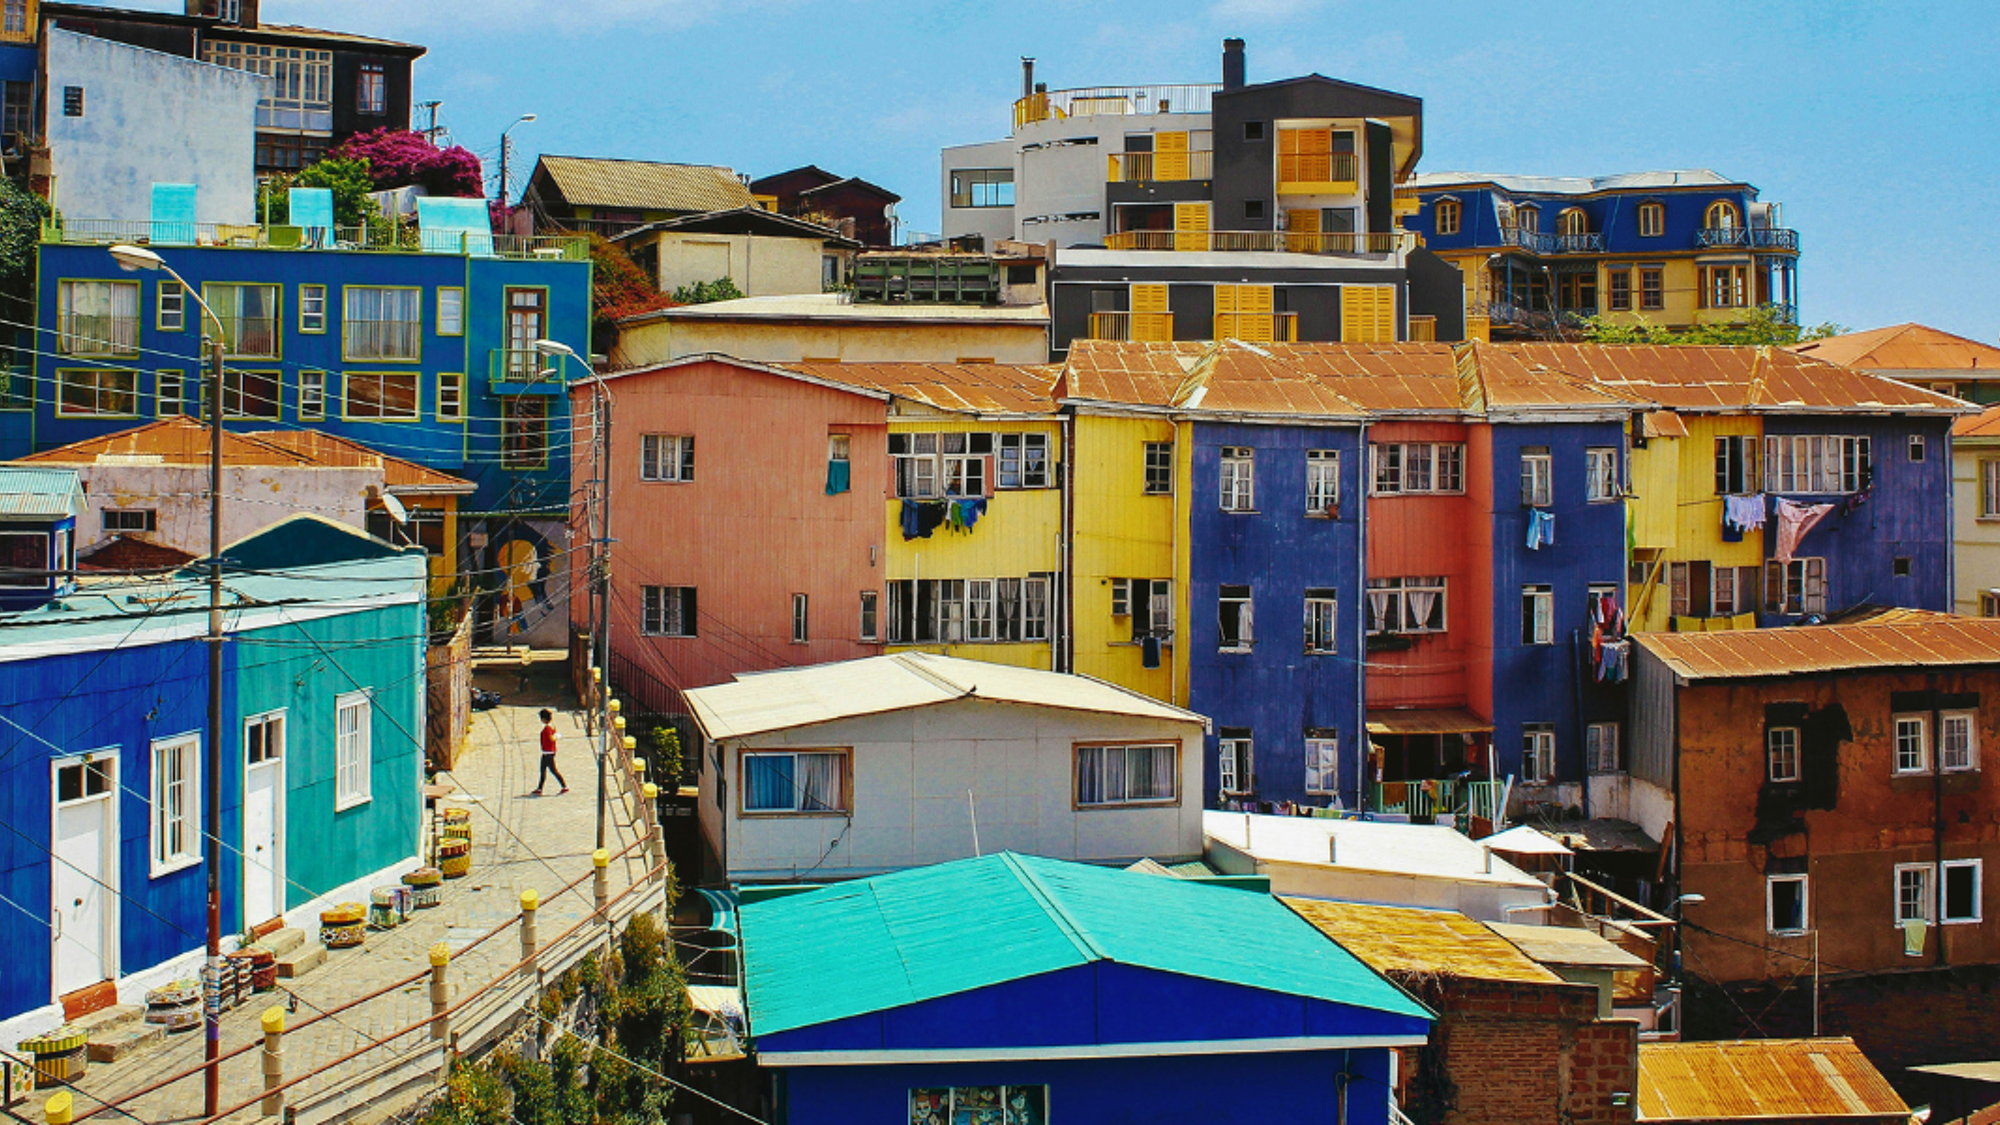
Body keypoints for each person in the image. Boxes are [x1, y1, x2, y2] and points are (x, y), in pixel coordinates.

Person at [532, 708, 568, 795]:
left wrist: (556, 737)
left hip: (548, 752)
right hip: (547, 752)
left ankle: (564, 786)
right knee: (543, 770)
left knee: (553, 770)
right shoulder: (552, 726)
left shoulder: (547, 729)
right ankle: (540, 788)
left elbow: (551, 738)